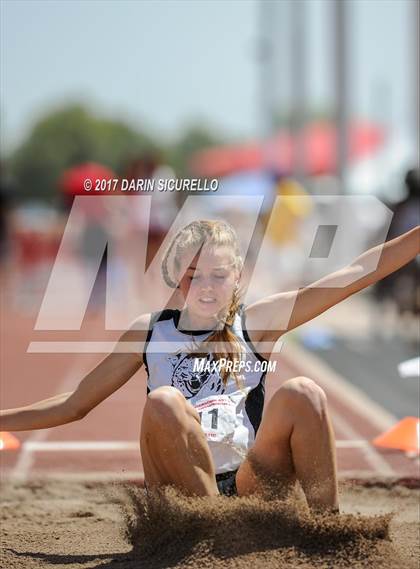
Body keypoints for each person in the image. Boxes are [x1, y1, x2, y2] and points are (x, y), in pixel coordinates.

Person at [1, 219, 419, 513]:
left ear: (237, 274)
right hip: (180, 490)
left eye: (218, 276)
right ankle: (206, 525)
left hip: (249, 483)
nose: (204, 288)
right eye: (193, 276)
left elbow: (356, 273)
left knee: (304, 392)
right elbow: (74, 404)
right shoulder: (148, 333)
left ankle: (330, 533)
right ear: (177, 277)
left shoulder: (257, 323)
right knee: (164, 402)